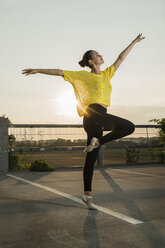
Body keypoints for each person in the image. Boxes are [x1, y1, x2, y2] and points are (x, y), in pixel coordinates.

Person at [22, 33, 145, 210]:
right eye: (97, 54)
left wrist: (134, 42)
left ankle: (87, 195)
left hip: (100, 116)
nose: (101, 55)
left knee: (92, 157)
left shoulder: (107, 74)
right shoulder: (81, 75)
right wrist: (37, 70)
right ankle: (97, 144)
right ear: (90, 61)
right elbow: (59, 72)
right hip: (91, 114)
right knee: (129, 126)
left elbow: (120, 58)